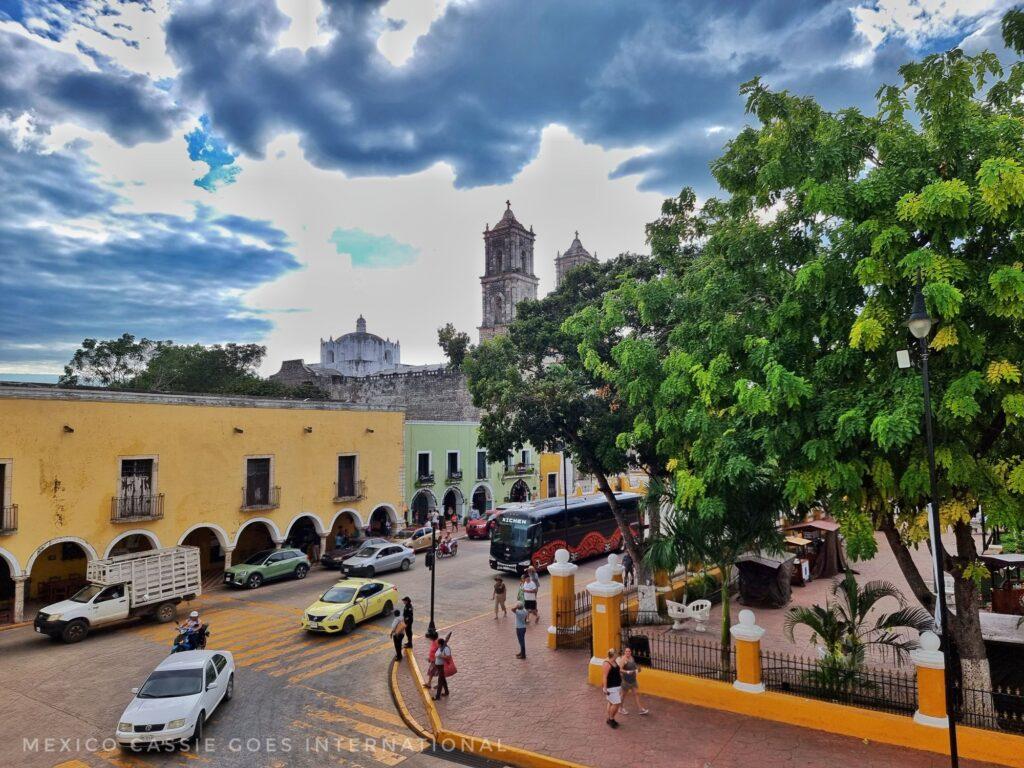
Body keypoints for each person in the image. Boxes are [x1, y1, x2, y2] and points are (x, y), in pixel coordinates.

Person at [618, 647, 648, 715]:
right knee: (623, 695)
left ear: (631, 652)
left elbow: (634, 667)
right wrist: (627, 672)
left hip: (633, 680)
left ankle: (640, 709)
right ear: (624, 652)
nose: (628, 653)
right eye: (626, 651)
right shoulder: (623, 659)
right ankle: (620, 708)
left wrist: (638, 669)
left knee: (636, 694)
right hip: (626, 681)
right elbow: (620, 669)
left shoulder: (631, 658)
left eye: (629, 651)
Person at [602, 648, 623, 728]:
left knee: (611, 702)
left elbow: (617, 671)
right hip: (611, 687)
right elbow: (605, 676)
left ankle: (610, 718)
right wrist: (605, 688)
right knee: (616, 703)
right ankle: (611, 719)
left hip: (617, 685)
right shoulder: (607, 663)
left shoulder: (614, 661)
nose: (618, 655)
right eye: (616, 653)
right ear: (613, 655)